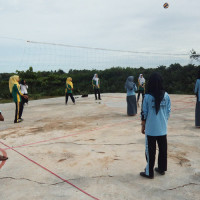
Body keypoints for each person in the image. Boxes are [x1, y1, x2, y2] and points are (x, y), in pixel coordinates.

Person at [140, 72, 171, 179]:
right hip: (163, 128)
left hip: (151, 129)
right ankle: (162, 168)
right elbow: (168, 111)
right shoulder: (166, 96)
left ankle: (149, 172)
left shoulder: (147, 96)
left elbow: (144, 113)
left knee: (150, 151)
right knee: (163, 149)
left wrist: (143, 126)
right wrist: (162, 121)